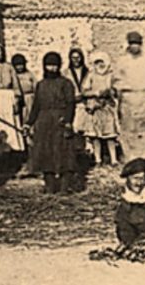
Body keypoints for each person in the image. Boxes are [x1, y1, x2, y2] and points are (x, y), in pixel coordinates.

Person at [23, 52, 78, 194]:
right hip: (44, 122)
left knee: (64, 153)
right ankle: (50, 186)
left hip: (60, 120)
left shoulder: (66, 83)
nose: (52, 68)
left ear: (59, 66)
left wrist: (68, 121)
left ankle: (65, 186)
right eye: (49, 65)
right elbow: (36, 106)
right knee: (45, 153)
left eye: (54, 65)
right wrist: (29, 123)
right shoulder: (41, 85)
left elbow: (71, 104)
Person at [113, 31, 145, 173]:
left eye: (137, 44)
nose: (135, 47)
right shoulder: (122, 61)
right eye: (132, 44)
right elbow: (116, 80)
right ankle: (132, 165)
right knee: (130, 134)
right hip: (128, 101)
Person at [83, 51, 120, 166]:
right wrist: (96, 93)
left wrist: (110, 92)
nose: (100, 65)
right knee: (95, 136)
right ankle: (97, 159)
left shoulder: (111, 75)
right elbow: (84, 91)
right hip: (95, 107)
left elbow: (116, 90)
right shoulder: (91, 75)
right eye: (97, 62)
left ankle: (113, 159)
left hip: (107, 107)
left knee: (110, 135)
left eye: (102, 62)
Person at [63, 47, 91, 136]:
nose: (76, 60)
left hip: (85, 103)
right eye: (73, 58)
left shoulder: (88, 72)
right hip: (71, 103)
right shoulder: (66, 73)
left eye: (78, 57)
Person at [11, 53, 37, 126]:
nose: (19, 67)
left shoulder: (29, 74)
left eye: (21, 65)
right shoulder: (13, 75)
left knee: (28, 115)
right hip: (17, 98)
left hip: (28, 98)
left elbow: (35, 85)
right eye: (17, 65)